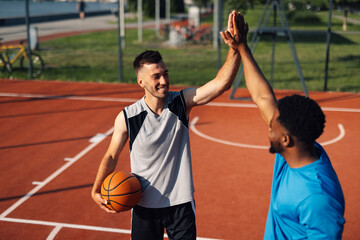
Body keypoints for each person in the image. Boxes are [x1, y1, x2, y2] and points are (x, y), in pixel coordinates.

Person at [91, 11, 247, 240]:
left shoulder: (181, 102)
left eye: (165, 73)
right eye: (156, 76)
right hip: (144, 205)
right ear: (141, 81)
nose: (163, 80)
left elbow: (221, 84)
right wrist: (96, 189)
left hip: (180, 204)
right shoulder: (128, 116)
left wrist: (235, 49)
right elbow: (111, 156)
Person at [234, 13, 345, 239]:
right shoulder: (298, 152)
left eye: (272, 125)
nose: (268, 127)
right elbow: (263, 97)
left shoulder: (317, 197)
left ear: (286, 139)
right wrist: (242, 47)